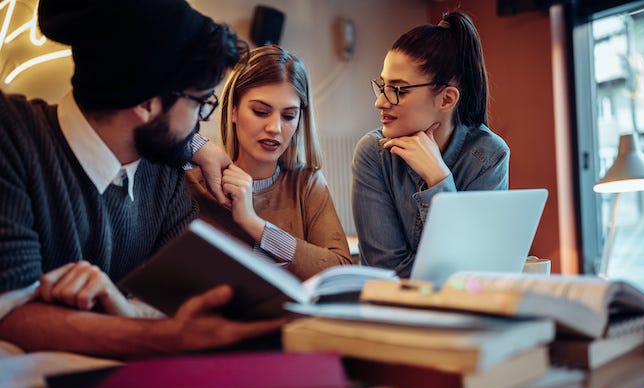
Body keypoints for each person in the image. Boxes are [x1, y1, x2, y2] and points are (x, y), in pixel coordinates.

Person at [0, 0, 285, 359]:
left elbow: (182, 297)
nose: (200, 124)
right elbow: (10, 314)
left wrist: (123, 308)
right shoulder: (13, 138)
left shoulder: (160, 169)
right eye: (200, 104)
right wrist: (167, 337)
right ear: (146, 104)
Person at [351, 11, 510, 278]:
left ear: (446, 99)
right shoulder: (373, 153)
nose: (379, 102)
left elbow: (482, 271)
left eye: (398, 90)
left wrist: (439, 179)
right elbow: (387, 273)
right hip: (395, 314)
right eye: (382, 86)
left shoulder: (489, 156)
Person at [187, 45, 352, 281]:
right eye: (261, 111)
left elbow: (341, 272)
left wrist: (253, 223)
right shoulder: (193, 178)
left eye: (288, 116)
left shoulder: (306, 184)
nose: (275, 128)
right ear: (233, 110)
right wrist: (198, 145)